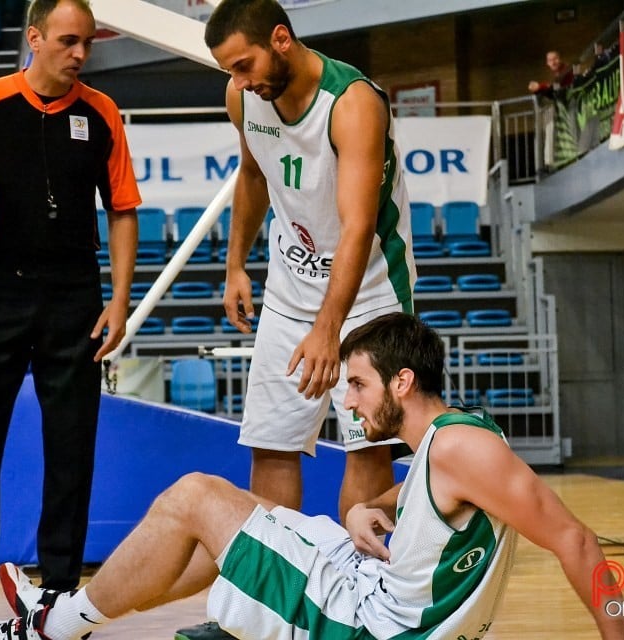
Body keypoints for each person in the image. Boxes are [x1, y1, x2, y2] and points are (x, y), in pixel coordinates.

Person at [0, 312, 624, 640]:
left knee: (193, 496)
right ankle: (64, 618)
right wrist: (375, 507)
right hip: (372, 591)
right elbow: (435, 494)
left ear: (402, 379)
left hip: (369, 625)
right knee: (226, 525)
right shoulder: (454, 439)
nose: (352, 400)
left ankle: (51, 625)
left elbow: (576, 542)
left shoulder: (461, 451)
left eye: (360, 384)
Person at [0, 0, 142, 629]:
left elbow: (123, 209)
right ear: (35, 37)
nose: (80, 54)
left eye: (88, 44)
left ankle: (60, 587)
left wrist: (120, 302)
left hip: (76, 297)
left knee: (71, 449)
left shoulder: (101, 114)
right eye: (69, 41)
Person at [210, 0, 416, 584]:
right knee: (273, 444)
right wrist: (235, 265)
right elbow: (252, 176)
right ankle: (273, 591)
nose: (239, 82)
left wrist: (329, 329)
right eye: (229, 71)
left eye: (244, 66)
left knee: (367, 447)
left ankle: (361, 587)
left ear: (280, 39)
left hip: (372, 292)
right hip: (289, 285)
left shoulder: (353, 105)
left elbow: (357, 226)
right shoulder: (243, 98)